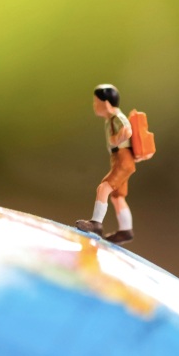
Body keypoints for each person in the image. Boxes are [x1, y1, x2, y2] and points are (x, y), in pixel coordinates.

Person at [76, 85, 136, 244]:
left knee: (103, 188)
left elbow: (128, 131)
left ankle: (96, 224)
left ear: (107, 104)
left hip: (123, 160)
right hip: (120, 160)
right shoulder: (111, 119)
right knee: (117, 196)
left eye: (97, 102)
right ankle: (126, 230)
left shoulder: (118, 117)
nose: (94, 106)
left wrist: (116, 140)